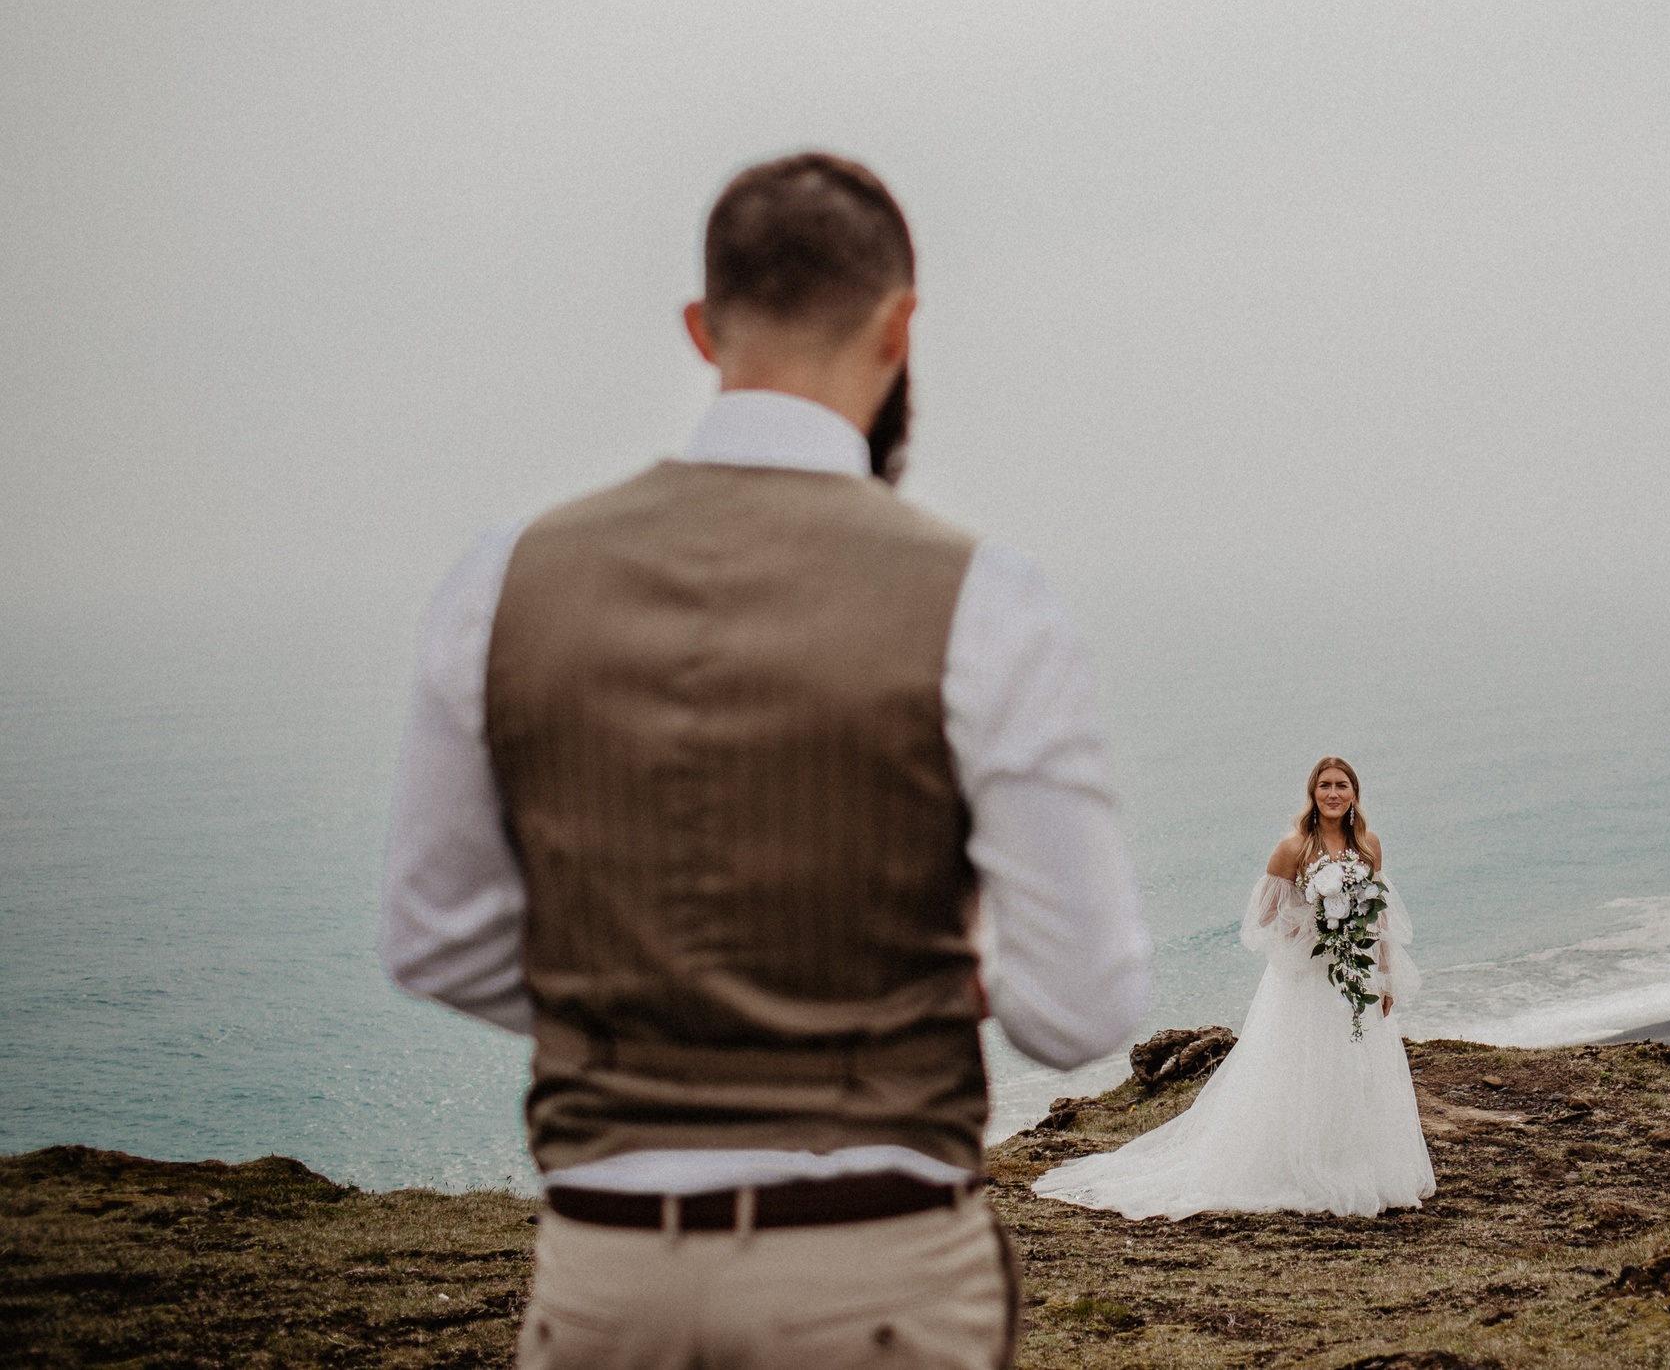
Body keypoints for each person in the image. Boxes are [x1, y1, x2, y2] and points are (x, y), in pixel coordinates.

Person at [380, 152, 1152, 1370]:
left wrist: (635, 998)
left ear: (701, 328)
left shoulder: (502, 581)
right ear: (901, 326)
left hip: (607, 1273)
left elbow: (434, 937)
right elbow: (1083, 1009)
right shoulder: (987, 602)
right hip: (880, 1269)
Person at [1031, 756, 1434, 1220]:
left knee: (1356, 1065)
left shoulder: (1368, 845)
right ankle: (1297, 1162)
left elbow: (1378, 917)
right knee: (1303, 1066)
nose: (1333, 793)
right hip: (1307, 978)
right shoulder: (1294, 847)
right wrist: (1317, 926)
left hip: (1356, 976)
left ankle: (1355, 1161)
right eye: (1324, 785)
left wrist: (1383, 977)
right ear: (1312, 793)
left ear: (1354, 794)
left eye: (1342, 785)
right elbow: (1262, 917)